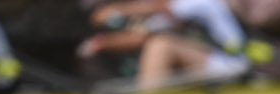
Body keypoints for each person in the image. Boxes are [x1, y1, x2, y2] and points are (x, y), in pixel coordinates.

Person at [77, 0, 263, 88]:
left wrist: (114, 10)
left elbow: (159, 13)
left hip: (232, 64)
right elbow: (139, 38)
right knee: (157, 43)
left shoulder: (197, 2)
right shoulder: (164, 13)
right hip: (205, 65)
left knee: (161, 46)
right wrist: (100, 44)